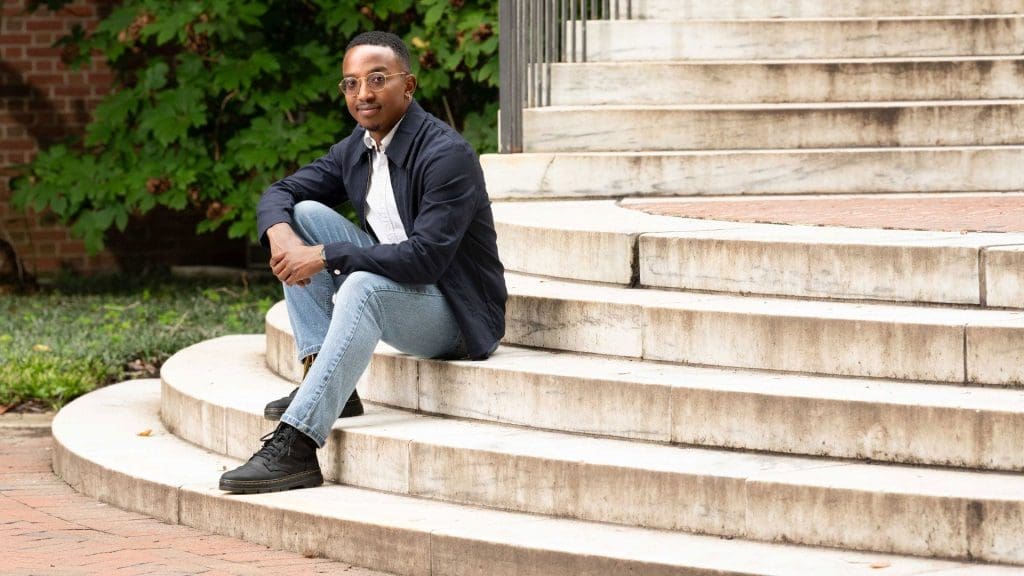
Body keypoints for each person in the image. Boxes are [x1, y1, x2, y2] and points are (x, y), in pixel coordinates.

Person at [219, 31, 507, 494]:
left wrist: (327, 255)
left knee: (360, 285)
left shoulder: (445, 154)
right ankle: (328, 380)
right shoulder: (357, 148)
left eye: (377, 79)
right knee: (303, 215)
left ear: (408, 86)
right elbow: (280, 193)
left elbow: (425, 260)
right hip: (403, 288)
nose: (363, 94)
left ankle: (296, 447)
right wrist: (282, 235)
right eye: (351, 84)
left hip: (457, 314)